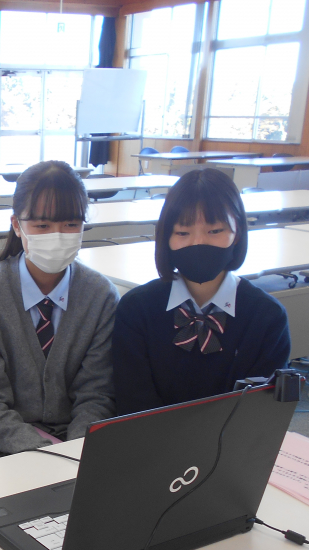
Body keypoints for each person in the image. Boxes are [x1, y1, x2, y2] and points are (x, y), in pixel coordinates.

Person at [0, 160, 119, 461]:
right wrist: (47, 456)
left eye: (71, 224)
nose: (57, 235)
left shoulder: (100, 296)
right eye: (42, 225)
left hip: (75, 445)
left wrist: (75, 454)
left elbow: (96, 394)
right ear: (17, 225)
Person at [112, 168, 291, 416]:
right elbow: (132, 401)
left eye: (214, 231)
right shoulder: (136, 309)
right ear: (167, 238)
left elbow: (259, 412)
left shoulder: (267, 317)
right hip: (150, 446)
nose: (198, 243)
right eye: (183, 233)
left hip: (232, 449)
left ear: (237, 231)